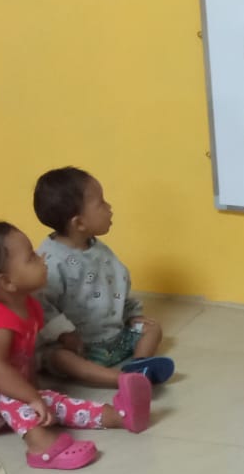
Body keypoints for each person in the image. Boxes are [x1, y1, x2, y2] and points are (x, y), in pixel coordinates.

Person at [0, 221, 153, 470]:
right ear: (7, 282)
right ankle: (41, 447)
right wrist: (30, 396)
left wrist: (36, 398)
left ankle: (116, 416)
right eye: (31, 258)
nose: (42, 258)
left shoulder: (30, 306)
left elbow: (25, 360)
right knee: (7, 382)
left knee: (46, 399)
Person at [32, 166, 175, 388]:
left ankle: (139, 364)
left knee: (153, 328)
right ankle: (122, 380)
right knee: (60, 358)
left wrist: (131, 315)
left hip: (114, 337)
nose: (109, 208)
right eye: (101, 203)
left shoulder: (98, 249)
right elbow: (41, 306)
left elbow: (114, 286)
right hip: (78, 347)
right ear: (79, 223)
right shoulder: (51, 261)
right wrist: (64, 334)